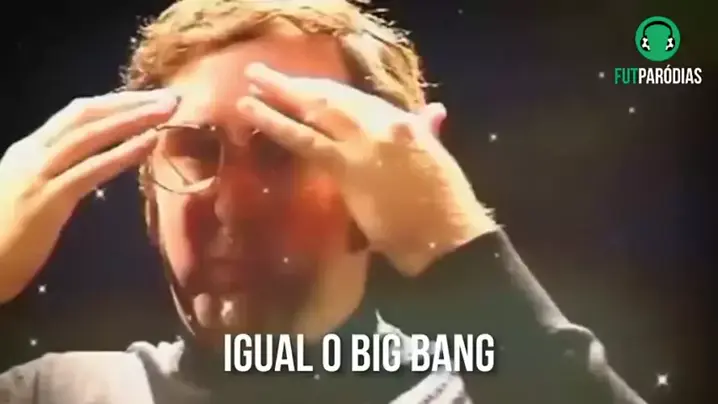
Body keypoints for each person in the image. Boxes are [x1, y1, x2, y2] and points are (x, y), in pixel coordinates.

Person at [0, 0, 648, 403]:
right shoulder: (54, 395)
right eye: (195, 149)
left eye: (284, 149)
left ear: (398, 183)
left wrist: (457, 243)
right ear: (147, 196)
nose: (232, 207)